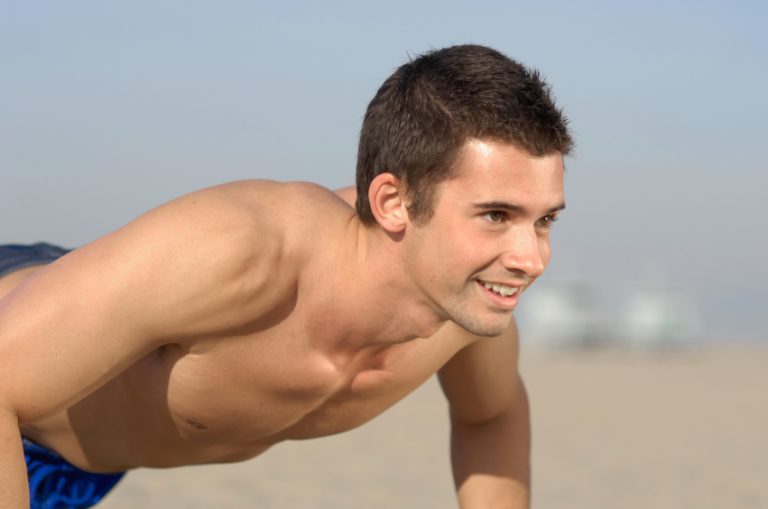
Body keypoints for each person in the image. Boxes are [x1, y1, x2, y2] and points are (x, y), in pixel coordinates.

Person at [0, 44, 572, 509]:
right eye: (495, 216)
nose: (531, 258)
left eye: (543, 220)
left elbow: (491, 414)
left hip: (79, 465)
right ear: (394, 202)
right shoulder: (239, 252)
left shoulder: (464, 307)